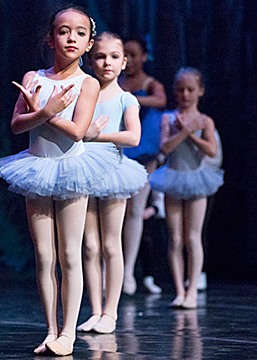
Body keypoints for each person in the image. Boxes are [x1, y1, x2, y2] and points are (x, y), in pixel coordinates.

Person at [0, 7, 120, 356]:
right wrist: (40, 111)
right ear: (50, 38)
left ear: (88, 44)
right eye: (64, 31)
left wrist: (47, 113)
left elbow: (79, 132)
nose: (71, 38)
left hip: (71, 169)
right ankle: (51, 329)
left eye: (79, 33)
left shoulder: (88, 82)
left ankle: (68, 332)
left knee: (70, 253)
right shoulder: (34, 76)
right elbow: (16, 125)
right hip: (36, 168)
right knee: (43, 255)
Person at [76, 32, 147, 333]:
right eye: (101, 56)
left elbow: (133, 137)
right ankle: (95, 311)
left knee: (110, 243)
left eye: (114, 57)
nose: (107, 63)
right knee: (89, 246)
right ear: (90, 60)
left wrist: (95, 135)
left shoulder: (125, 98)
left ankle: (112, 312)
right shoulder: (83, 92)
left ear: (124, 62)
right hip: (83, 171)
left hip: (113, 172)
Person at [149, 67, 224, 309]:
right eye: (180, 89)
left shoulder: (205, 121)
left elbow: (211, 150)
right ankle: (179, 290)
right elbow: (165, 148)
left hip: (196, 179)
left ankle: (192, 289)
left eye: (190, 89)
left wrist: (191, 133)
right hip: (173, 178)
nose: (185, 94)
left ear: (200, 91)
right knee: (176, 238)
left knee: (193, 237)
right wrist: (183, 131)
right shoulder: (167, 118)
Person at [119, 35, 167, 295]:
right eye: (124, 54)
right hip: (118, 151)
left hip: (144, 151)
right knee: (115, 211)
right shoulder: (115, 81)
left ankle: (128, 272)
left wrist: (131, 99)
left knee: (136, 211)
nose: (129, 60)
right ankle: (111, 270)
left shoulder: (150, 84)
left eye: (133, 54)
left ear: (144, 56)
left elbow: (161, 100)